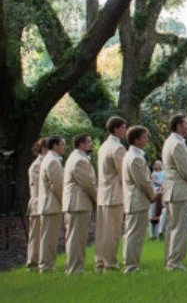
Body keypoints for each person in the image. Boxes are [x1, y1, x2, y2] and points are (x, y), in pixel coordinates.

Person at [162, 113, 187, 270]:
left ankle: (169, 259)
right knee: (180, 227)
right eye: (186, 124)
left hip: (170, 189)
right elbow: (185, 170)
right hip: (180, 189)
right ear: (178, 126)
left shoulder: (169, 142)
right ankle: (175, 262)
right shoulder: (178, 144)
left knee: (172, 226)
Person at [95, 116, 128, 272]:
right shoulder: (118, 148)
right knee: (113, 232)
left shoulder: (103, 146)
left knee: (104, 231)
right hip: (114, 194)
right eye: (123, 127)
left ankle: (101, 261)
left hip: (103, 193)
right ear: (116, 129)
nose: (125, 130)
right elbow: (124, 173)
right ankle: (111, 263)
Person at [63, 133, 97, 274]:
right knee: (77, 238)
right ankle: (75, 269)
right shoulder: (79, 160)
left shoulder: (76, 157)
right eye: (89, 142)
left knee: (76, 237)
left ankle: (74, 266)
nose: (91, 144)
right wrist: (97, 199)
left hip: (76, 203)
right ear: (81, 144)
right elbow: (88, 184)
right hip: (78, 203)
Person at [123, 126, 155, 274]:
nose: (147, 139)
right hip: (137, 200)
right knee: (135, 234)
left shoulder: (132, 155)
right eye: (144, 137)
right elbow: (142, 182)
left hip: (135, 200)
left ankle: (132, 264)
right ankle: (131, 266)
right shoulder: (135, 157)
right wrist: (153, 195)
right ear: (136, 139)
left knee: (135, 234)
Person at [38, 136, 65, 272]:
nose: (64, 147)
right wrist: (65, 201)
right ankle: (47, 266)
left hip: (48, 205)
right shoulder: (53, 161)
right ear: (54, 145)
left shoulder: (49, 159)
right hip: (51, 205)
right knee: (49, 238)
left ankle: (46, 264)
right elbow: (57, 185)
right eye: (62, 144)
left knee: (48, 237)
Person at [24, 138, 47, 271]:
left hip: (43, 203)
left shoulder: (44, 163)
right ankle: (32, 262)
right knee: (36, 235)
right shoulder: (37, 165)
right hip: (38, 203)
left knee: (42, 234)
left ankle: (38, 260)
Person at [150, 160, 165, 239]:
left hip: (163, 187)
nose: (158, 166)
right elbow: (154, 181)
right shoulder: (154, 173)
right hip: (156, 188)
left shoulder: (164, 173)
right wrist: (160, 184)